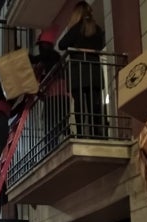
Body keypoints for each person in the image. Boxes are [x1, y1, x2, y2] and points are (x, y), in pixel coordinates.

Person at [58, 1, 106, 137]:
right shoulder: (97, 28)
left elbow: (62, 44)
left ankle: (80, 133)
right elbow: (100, 45)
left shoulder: (76, 29)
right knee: (94, 104)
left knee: (79, 104)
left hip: (78, 71)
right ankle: (96, 132)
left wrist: (77, 49)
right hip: (94, 70)